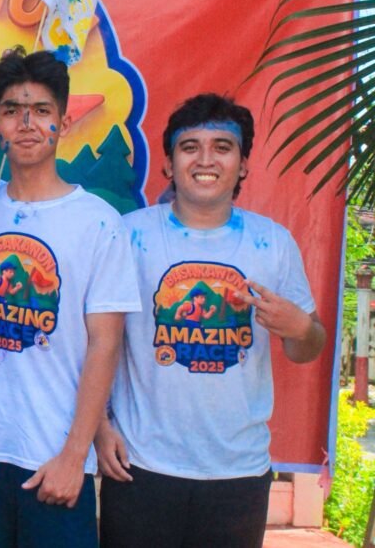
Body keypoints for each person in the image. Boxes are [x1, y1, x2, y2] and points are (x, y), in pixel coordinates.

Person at [95, 93, 326, 548]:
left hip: (238, 472)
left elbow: (308, 347)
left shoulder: (272, 242)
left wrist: (300, 328)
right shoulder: (129, 234)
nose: (205, 159)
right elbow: (95, 342)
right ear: (169, 164)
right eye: (190, 147)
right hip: (141, 466)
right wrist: (99, 428)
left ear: (243, 165)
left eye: (222, 147)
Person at [0, 51, 141, 548]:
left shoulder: (98, 222)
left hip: (55, 455)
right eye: (13, 110)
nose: (27, 123)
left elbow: (105, 345)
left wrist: (75, 455)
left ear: (64, 120)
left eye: (41, 110)